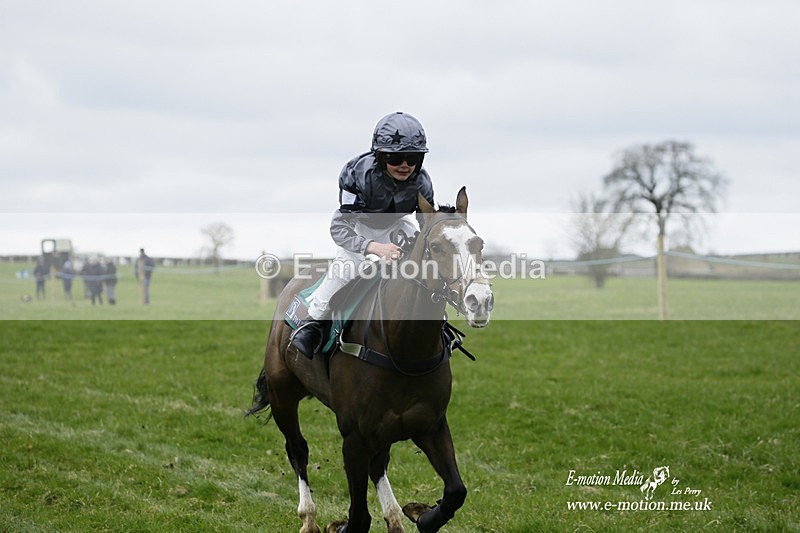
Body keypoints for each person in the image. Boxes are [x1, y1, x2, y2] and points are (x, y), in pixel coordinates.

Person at [291, 111, 435, 358]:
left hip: (396, 223)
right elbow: (339, 228)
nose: (405, 165)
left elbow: (427, 226)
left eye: (413, 158)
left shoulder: (422, 181)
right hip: (357, 225)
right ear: (380, 156)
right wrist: (374, 248)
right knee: (347, 268)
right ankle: (311, 325)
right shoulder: (356, 173)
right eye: (396, 157)